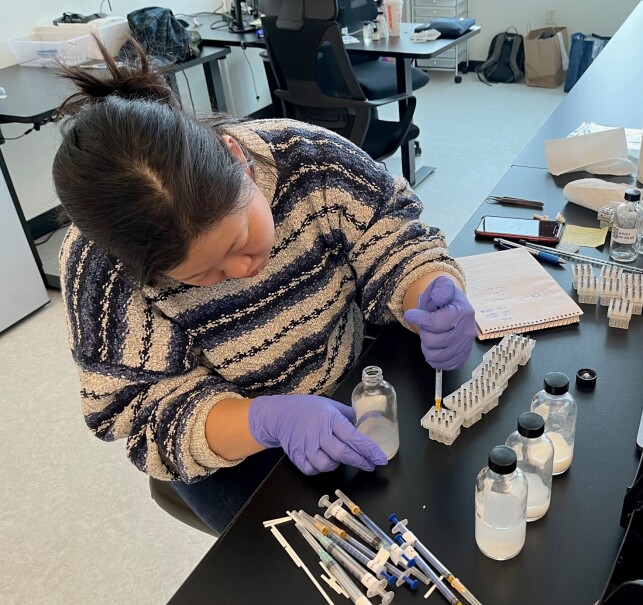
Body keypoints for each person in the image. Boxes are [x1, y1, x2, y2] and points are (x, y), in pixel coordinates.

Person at [53, 44, 477, 534]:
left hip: (351, 382)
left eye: (240, 239)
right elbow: (142, 412)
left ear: (237, 156)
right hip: (236, 451)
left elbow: (394, 239)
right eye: (201, 276)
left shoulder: (311, 160)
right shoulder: (101, 270)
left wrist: (430, 285)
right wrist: (264, 420)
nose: (244, 270)